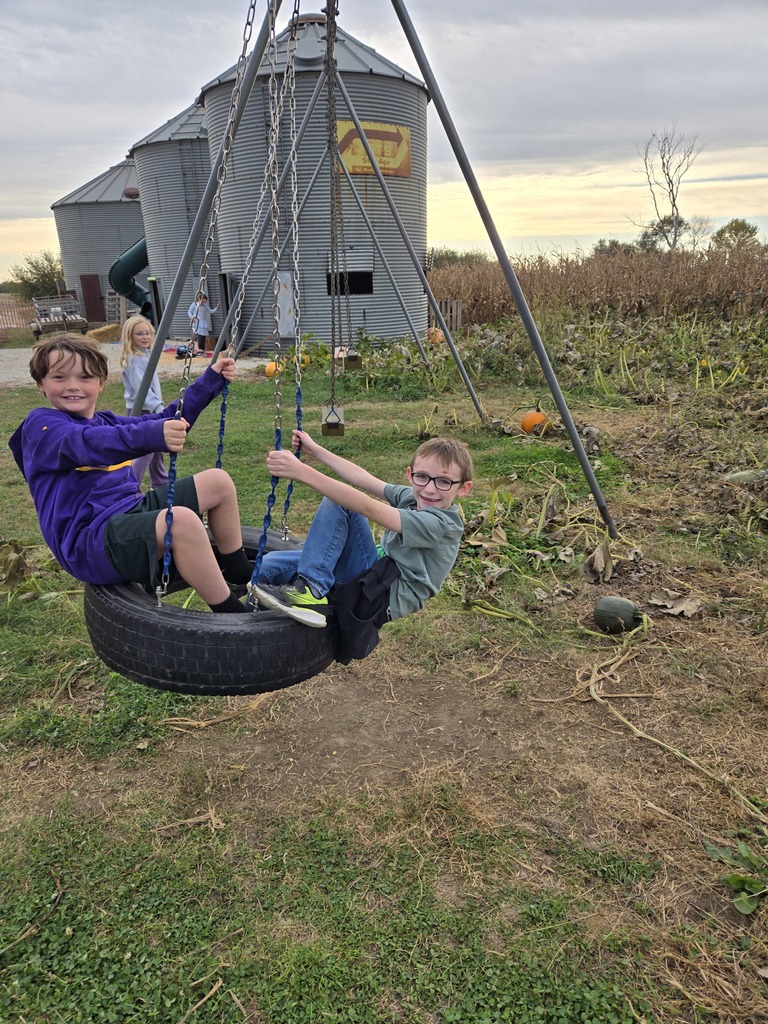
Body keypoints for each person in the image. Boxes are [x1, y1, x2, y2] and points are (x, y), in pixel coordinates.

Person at [9, 334, 252, 614]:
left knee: (217, 482)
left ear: (101, 383)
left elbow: (169, 418)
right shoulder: (41, 426)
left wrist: (211, 379)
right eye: (59, 377)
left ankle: (239, 573)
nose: (73, 386)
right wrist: (152, 434)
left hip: (128, 512)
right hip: (89, 541)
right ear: (41, 383)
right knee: (181, 521)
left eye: (85, 377)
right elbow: (85, 443)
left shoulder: (107, 422)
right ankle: (234, 616)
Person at [249, 429, 474, 659]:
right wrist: (314, 450)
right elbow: (362, 478)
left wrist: (302, 472)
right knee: (269, 564)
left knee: (341, 503)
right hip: (372, 571)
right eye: (422, 477)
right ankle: (241, 620)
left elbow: (367, 507)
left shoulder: (441, 524)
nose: (429, 488)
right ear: (410, 474)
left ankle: (313, 592)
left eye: (444, 482)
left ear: (463, 488)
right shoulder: (413, 497)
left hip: (377, 594)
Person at [119, 314, 169, 489]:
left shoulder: (143, 356)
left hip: (148, 408)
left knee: (156, 449)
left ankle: (161, 482)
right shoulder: (135, 360)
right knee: (145, 451)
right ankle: (130, 487)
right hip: (142, 410)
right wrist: (159, 407)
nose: (145, 337)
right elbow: (143, 389)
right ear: (130, 336)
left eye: (148, 333)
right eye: (139, 334)